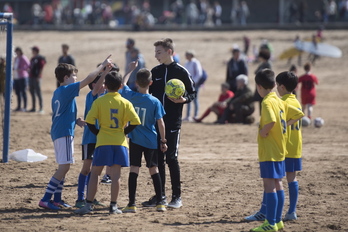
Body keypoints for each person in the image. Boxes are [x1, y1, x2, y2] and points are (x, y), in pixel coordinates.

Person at [38, 55, 113, 210]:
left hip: (61, 130)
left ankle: (57, 199)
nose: (76, 78)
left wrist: (75, 120)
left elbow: (62, 113)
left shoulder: (58, 91)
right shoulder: (67, 89)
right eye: (73, 75)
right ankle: (46, 199)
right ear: (66, 77)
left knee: (64, 166)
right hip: (63, 133)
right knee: (64, 167)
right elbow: (88, 79)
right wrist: (102, 67)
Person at [74, 70, 141, 215]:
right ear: (120, 86)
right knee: (116, 175)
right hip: (120, 142)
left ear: (106, 85)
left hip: (103, 141)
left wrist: (98, 133)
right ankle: (113, 206)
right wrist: (124, 132)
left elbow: (90, 121)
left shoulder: (99, 101)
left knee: (95, 173)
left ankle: (89, 204)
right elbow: (136, 121)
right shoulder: (125, 102)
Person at [247, 69, 304, 232]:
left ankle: (270, 223)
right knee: (278, 183)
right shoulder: (279, 100)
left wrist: (262, 132)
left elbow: (271, 121)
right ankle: (278, 221)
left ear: (258, 86)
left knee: (269, 185)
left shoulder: (266, 102)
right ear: (273, 84)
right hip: (280, 149)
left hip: (270, 150)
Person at [142, 38, 196, 209]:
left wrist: (184, 100)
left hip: (172, 123)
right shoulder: (154, 72)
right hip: (155, 123)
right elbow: (147, 94)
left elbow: (193, 93)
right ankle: (160, 196)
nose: (155, 55)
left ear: (169, 52)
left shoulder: (181, 71)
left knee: (171, 158)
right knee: (157, 160)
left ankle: (176, 197)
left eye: (159, 52)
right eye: (155, 52)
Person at [120, 62, 168, 213]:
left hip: (135, 139)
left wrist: (130, 69)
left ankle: (132, 204)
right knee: (153, 169)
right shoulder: (155, 102)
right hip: (151, 140)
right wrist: (163, 140)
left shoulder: (131, 96)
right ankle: (160, 202)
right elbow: (160, 123)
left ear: (136, 83)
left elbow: (122, 84)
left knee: (134, 169)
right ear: (151, 83)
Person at [74, 64, 113, 209]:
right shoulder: (92, 96)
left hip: (101, 139)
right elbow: (96, 88)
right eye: (101, 83)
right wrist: (105, 72)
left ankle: (91, 197)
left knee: (96, 170)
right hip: (90, 139)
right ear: (94, 85)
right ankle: (80, 198)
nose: (104, 85)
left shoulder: (104, 97)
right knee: (86, 168)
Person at [183, 50, 203, 122]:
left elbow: (199, 73)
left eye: (187, 55)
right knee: (188, 99)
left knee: (195, 100)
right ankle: (188, 116)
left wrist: (194, 82)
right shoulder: (187, 63)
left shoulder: (195, 62)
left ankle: (195, 115)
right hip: (188, 84)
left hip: (195, 84)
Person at [253, 49, 272, 115]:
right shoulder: (262, 64)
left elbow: (268, 74)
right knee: (261, 102)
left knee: (265, 102)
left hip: (265, 86)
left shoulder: (268, 64)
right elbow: (256, 72)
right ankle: (262, 118)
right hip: (260, 85)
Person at [29, 46, 46, 113]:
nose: (32, 52)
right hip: (31, 77)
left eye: (33, 50)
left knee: (38, 92)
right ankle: (33, 107)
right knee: (32, 92)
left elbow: (41, 68)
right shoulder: (33, 58)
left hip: (36, 77)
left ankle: (41, 107)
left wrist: (39, 77)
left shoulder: (40, 58)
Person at [13, 47, 30, 112]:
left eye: (18, 51)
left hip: (22, 76)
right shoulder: (16, 58)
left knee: (23, 92)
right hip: (16, 77)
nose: (17, 53)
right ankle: (19, 106)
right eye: (16, 51)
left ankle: (25, 106)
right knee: (17, 92)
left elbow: (28, 65)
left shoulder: (23, 57)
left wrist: (21, 69)